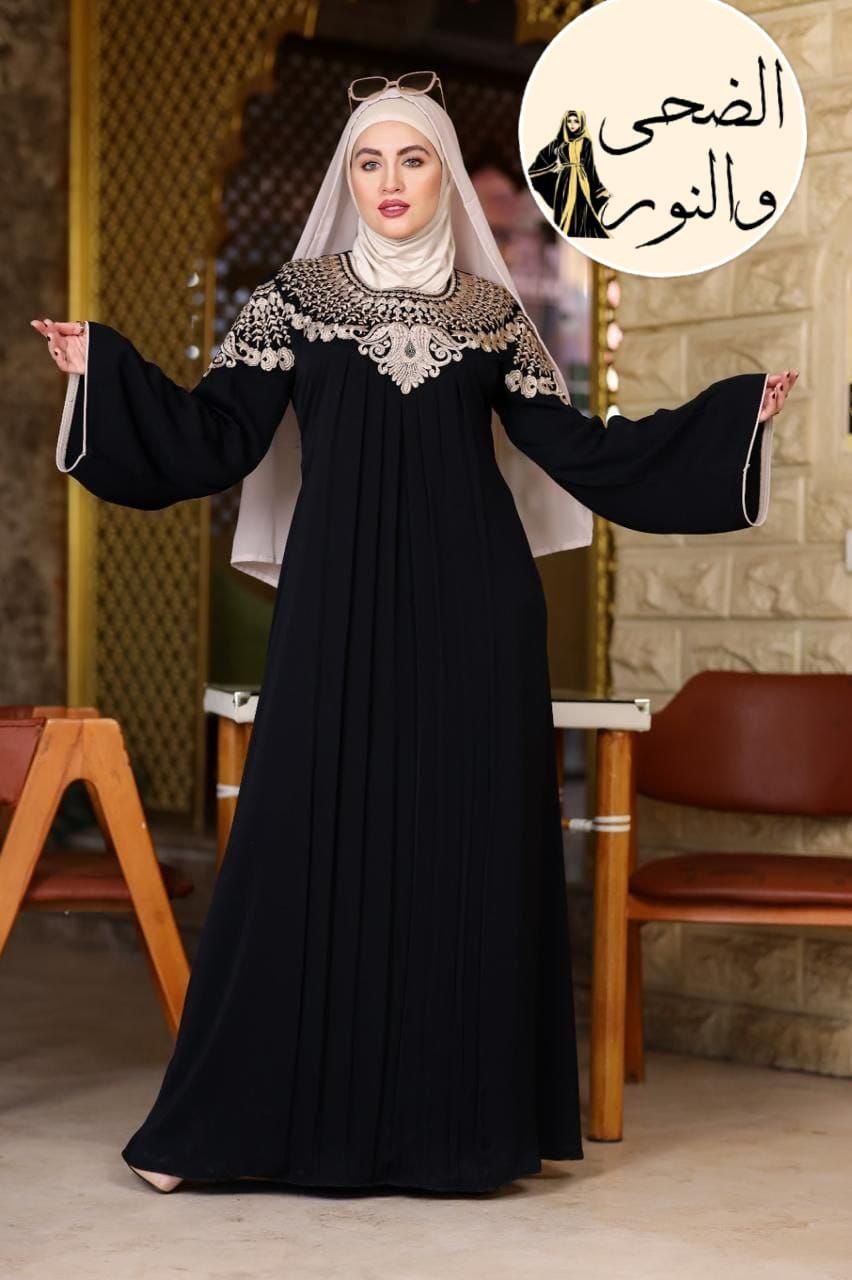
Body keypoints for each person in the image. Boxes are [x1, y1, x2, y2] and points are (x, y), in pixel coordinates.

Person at [32, 73, 796, 1197]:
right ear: (347, 178)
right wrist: (103, 370)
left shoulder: (492, 315)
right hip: (333, 605)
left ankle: (460, 1133)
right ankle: (226, 1127)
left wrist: (731, 421)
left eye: (413, 159)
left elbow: (577, 450)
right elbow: (215, 432)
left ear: (446, 177)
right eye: (368, 162)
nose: (389, 182)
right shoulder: (294, 300)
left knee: (463, 844)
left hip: (475, 610)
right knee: (298, 843)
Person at [527, 108, 612, 238]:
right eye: (569, 121)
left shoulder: (586, 142)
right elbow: (541, 160)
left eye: (576, 121)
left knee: (580, 209)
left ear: (581, 123)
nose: (572, 125)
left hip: (580, 180)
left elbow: (590, 166)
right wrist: (553, 168)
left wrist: (598, 188)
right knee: (564, 210)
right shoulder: (559, 143)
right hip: (564, 180)